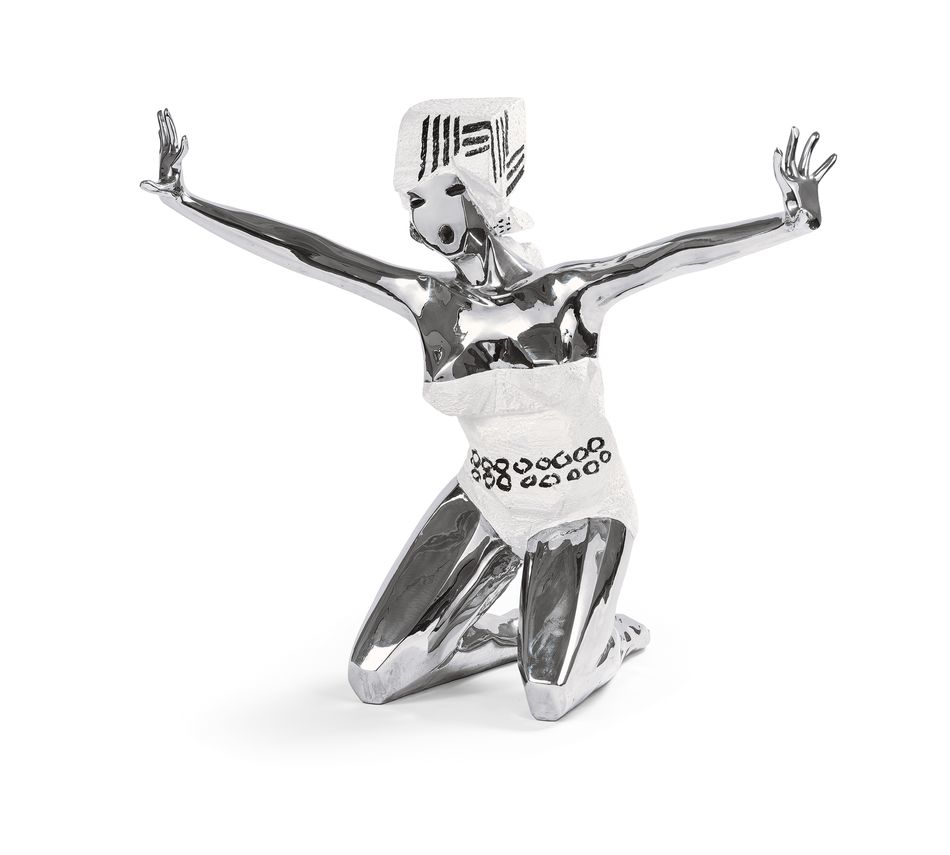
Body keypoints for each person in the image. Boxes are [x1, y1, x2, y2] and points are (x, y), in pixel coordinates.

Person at [141, 99, 835, 720]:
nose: (428, 214)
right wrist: (185, 199)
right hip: (488, 500)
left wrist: (791, 221)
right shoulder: (427, 303)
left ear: (482, 193)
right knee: (372, 677)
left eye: (445, 191)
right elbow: (309, 254)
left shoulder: (567, 295)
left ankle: (610, 637)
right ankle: (499, 634)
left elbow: (675, 256)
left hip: (581, 504)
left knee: (549, 696)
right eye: (414, 199)